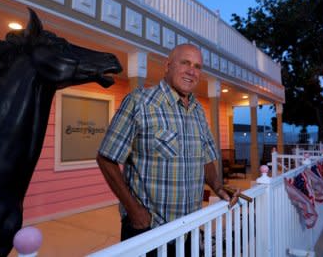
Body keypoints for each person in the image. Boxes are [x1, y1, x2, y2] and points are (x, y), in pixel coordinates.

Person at [97, 43, 239, 254]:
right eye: (185, 63)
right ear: (168, 65)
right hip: (148, 230)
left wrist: (218, 186)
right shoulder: (139, 102)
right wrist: (134, 211)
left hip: (189, 228)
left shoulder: (198, 110)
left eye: (198, 66)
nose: (192, 71)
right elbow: (106, 158)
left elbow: (206, 156)